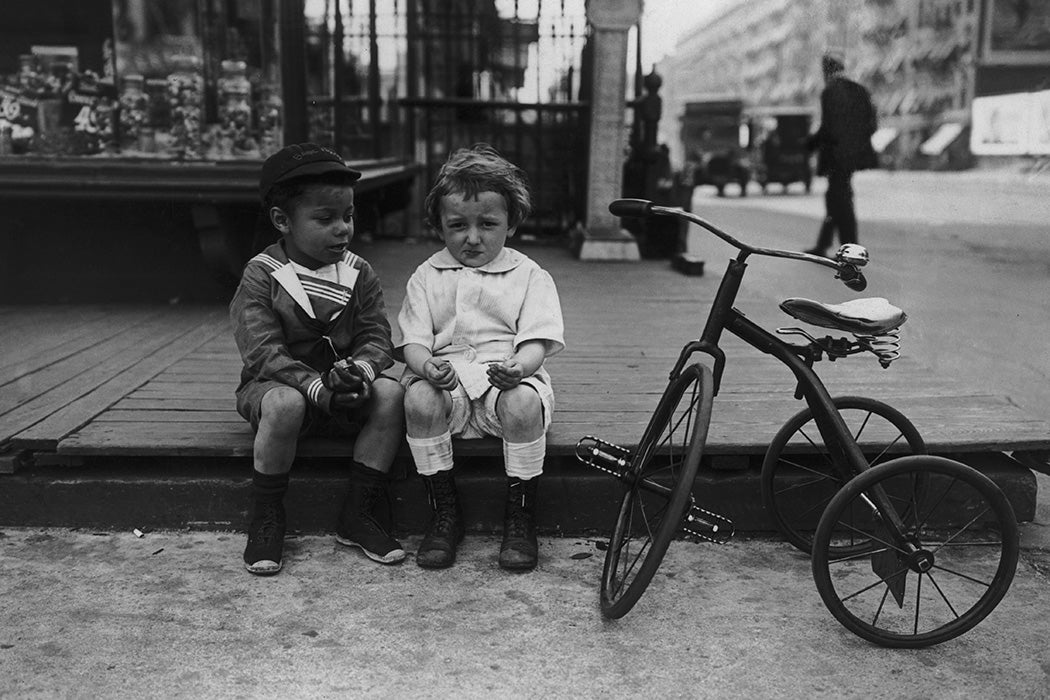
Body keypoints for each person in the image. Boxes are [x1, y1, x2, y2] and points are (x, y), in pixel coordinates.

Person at [230, 142, 407, 575]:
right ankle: (267, 516)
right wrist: (314, 386)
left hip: (340, 390)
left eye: (348, 216)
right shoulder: (262, 274)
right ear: (282, 221)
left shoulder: (357, 271)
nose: (342, 230)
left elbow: (376, 334)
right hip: (281, 387)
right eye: (325, 219)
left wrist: (360, 371)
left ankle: (359, 512)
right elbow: (262, 351)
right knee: (285, 404)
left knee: (390, 393)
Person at [397, 144, 565, 572]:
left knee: (525, 402)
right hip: (447, 385)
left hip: (502, 384)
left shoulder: (528, 275)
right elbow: (414, 341)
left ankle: (521, 510)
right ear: (439, 225)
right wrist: (424, 365)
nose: (472, 238)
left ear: (511, 224)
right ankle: (444, 510)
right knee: (417, 399)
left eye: (488, 224)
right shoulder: (427, 275)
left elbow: (536, 341)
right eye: (457, 225)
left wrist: (521, 368)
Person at [805, 50, 878, 256]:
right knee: (837, 199)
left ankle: (850, 248)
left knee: (840, 201)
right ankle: (825, 245)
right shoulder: (859, 89)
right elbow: (872, 123)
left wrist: (810, 145)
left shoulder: (830, 91)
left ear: (826, 70)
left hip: (836, 156)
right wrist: (857, 145)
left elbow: (828, 127)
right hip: (853, 155)